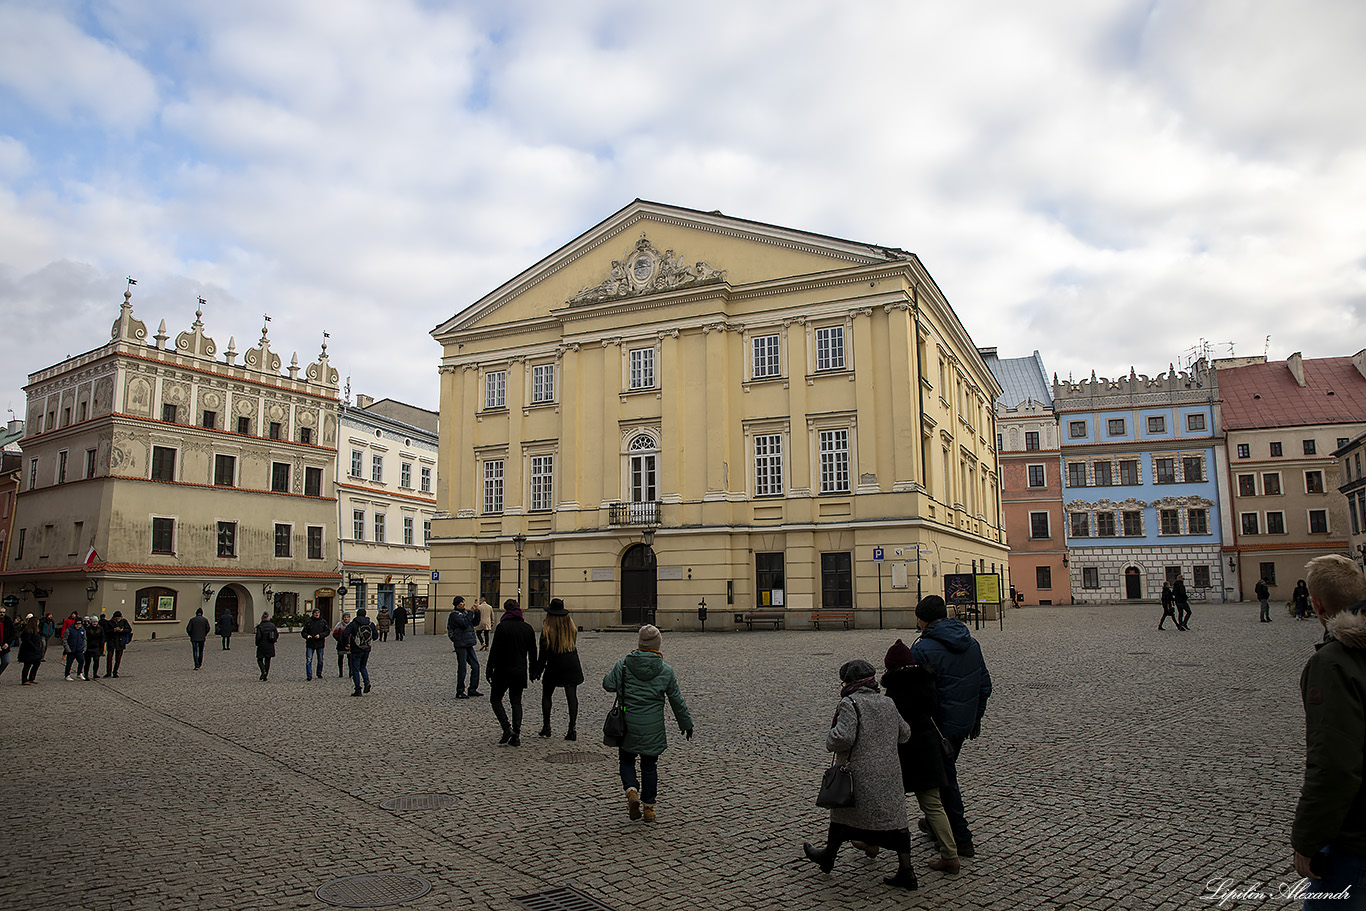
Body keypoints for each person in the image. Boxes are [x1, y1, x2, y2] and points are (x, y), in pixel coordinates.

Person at [1292, 554, 1366, 907]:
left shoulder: (1334, 663)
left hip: (1356, 842)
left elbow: (1335, 764)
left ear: (1317, 605)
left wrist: (1307, 840)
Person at [802, 658, 916, 889]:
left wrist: (829, 738)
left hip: (861, 774)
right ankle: (906, 870)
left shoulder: (850, 704)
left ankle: (828, 858)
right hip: (889, 775)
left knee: (843, 817)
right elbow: (905, 733)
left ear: (848, 682)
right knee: (896, 824)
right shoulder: (887, 702)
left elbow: (843, 737)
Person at [910, 595, 991, 859]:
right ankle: (936, 825)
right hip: (961, 726)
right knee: (942, 775)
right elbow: (984, 686)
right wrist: (974, 720)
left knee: (944, 781)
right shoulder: (972, 643)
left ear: (922, 620)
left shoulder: (923, 649)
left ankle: (961, 838)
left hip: (936, 728)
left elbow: (917, 694)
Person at [881, 639, 959, 874]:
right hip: (928, 750)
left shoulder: (894, 690)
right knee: (933, 804)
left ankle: (870, 844)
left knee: (888, 802)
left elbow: (894, 726)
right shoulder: (928, 682)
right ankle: (950, 854)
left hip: (904, 752)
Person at [602, 624, 693, 823]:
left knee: (626, 760)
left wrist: (616, 678)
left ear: (640, 643)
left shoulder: (623, 664)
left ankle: (631, 790)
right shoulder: (666, 670)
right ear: (658, 645)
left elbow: (607, 684)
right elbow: (676, 700)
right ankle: (649, 808)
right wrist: (686, 724)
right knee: (649, 766)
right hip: (653, 726)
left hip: (627, 724)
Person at [486, 599, 537, 746]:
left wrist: (489, 669)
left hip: (502, 670)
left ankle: (506, 727)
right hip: (519, 670)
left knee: (495, 700)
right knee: (516, 701)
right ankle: (517, 733)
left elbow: (494, 651)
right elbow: (533, 652)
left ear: (505, 611)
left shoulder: (502, 627)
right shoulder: (527, 628)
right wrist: (533, 670)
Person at [533, 598, 584, 740]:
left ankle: (546, 726)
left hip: (554, 664)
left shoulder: (547, 629)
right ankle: (572, 729)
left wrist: (538, 670)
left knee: (547, 695)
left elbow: (543, 654)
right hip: (571, 662)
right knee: (572, 696)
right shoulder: (571, 626)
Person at [447, 597, 482, 699]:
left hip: (468, 643)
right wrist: (471, 612)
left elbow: (474, 623)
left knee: (476, 666)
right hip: (461, 644)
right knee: (462, 668)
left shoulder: (466, 614)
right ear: (457, 604)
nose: (463, 604)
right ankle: (460, 691)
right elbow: (464, 624)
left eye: (463, 602)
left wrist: (477, 612)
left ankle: (472, 689)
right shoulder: (454, 615)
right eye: (461, 602)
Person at [344, 609, 378, 696]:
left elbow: (345, 634)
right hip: (366, 649)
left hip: (356, 649)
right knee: (363, 667)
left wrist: (347, 643)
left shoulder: (354, 624)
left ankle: (358, 689)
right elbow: (375, 636)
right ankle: (367, 682)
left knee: (355, 669)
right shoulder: (370, 623)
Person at [301, 607, 329, 680]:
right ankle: (309, 675)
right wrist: (307, 636)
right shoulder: (308, 622)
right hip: (310, 643)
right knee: (308, 660)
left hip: (320, 643)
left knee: (320, 660)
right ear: (313, 614)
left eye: (318, 613)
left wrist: (320, 635)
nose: (317, 614)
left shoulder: (323, 622)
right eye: (315, 613)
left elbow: (327, 631)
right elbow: (303, 632)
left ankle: (319, 673)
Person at [105, 611, 131, 678]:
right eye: (116, 617)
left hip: (120, 642)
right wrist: (113, 630)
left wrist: (122, 631)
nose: (118, 619)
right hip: (112, 641)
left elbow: (129, 630)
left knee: (118, 658)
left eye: (119, 617)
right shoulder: (110, 623)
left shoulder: (124, 622)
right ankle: (108, 672)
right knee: (109, 658)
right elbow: (106, 631)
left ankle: (115, 672)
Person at [19, 614, 43, 685]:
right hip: (29, 651)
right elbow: (27, 641)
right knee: (27, 665)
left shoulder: (37, 631)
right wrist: (34, 647)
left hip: (36, 651)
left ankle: (32, 678)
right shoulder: (28, 631)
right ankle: (24, 680)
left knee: (37, 663)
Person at [254, 611, 278, 681]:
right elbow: (276, 634)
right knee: (268, 660)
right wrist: (274, 640)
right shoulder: (272, 626)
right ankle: (266, 675)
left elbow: (258, 637)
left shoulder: (260, 626)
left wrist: (257, 643)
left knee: (260, 659)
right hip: (270, 645)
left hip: (262, 645)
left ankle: (263, 670)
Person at [63, 616, 86, 681]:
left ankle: (79, 673)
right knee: (69, 663)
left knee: (81, 661)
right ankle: (67, 675)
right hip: (71, 650)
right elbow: (64, 640)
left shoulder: (82, 630)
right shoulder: (69, 630)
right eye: (77, 624)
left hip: (79, 649)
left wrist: (84, 648)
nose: (78, 626)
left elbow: (84, 639)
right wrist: (67, 648)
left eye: (80, 624)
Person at [332, 612, 352, 678]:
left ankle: (350, 672)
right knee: (340, 659)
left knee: (350, 659)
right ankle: (341, 672)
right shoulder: (339, 625)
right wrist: (339, 639)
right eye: (345, 617)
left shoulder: (351, 625)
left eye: (347, 617)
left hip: (350, 644)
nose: (346, 618)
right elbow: (335, 633)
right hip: (341, 644)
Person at [0, 606, 15, 678]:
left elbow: (12, 634)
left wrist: (7, 643)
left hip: (5, 646)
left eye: (3, 612)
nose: (2, 614)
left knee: (6, 661)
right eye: (0, 612)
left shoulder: (8, 620)